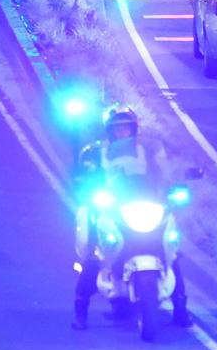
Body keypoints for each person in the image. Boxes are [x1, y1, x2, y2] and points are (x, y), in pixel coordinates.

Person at [71, 105, 188, 330]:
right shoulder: (96, 154)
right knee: (95, 253)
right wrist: (87, 185)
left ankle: (181, 310)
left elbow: (165, 172)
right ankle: (80, 311)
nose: (122, 133)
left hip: (148, 203)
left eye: (126, 128)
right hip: (115, 207)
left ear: (134, 129)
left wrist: (175, 185)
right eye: (118, 129)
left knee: (172, 251)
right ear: (109, 132)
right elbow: (85, 176)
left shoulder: (150, 151)